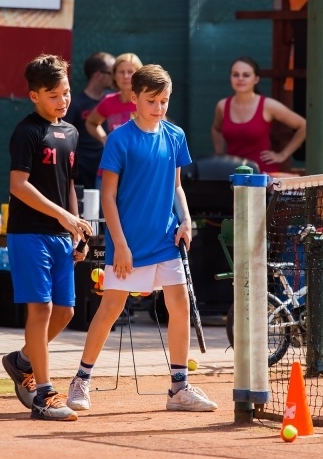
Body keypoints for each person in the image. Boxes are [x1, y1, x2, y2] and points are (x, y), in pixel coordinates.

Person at [66, 64, 218, 413]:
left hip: (166, 240)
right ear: (134, 98)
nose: (159, 107)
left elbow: (177, 186)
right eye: (152, 100)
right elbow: (108, 197)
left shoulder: (175, 136)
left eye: (164, 101)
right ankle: (81, 380)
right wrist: (120, 244)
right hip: (128, 245)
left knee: (178, 306)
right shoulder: (120, 139)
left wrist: (186, 219)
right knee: (110, 309)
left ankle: (179, 388)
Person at [2, 54, 92, 422]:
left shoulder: (70, 133)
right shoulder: (26, 132)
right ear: (34, 96)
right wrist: (63, 216)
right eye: (53, 95)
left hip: (59, 236)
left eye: (66, 92)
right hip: (29, 235)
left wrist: (75, 228)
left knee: (67, 311)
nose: (62, 100)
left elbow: (68, 184)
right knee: (41, 310)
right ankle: (43, 393)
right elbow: (18, 185)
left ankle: (21, 361)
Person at [211, 56, 306, 174]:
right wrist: (220, 156)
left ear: (256, 79)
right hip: (232, 173)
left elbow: (304, 126)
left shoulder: (268, 105)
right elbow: (216, 129)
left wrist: (282, 155)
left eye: (246, 75)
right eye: (235, 75)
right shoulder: (222, 106)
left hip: (263, 174)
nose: (240, 79)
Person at [85, 52, 143, 189]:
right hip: (109, 169)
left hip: (137, 173)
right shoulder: (108, 101)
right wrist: (104, 139)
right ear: (114, 75)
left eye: (131, 72)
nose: (126, 76)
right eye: (121, 72)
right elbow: (91, 122)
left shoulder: (145, 102)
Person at [63, 51, 115, 189]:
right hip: (83, 169)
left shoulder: (112, 101)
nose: (116, 77)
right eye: (112, 72)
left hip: (108, 165)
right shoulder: (76, 104)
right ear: (98, 75)